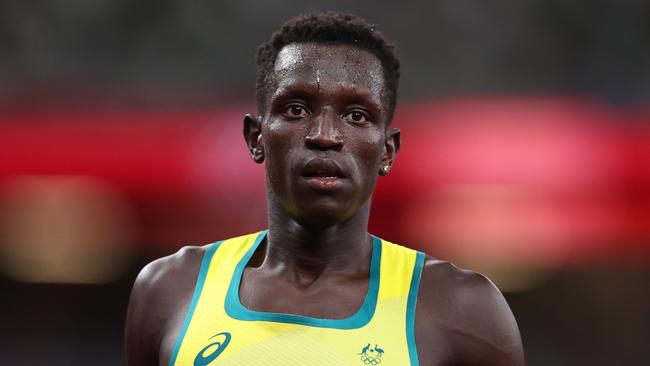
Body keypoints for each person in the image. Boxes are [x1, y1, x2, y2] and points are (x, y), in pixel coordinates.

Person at [125, 12, 525, 366]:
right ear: (256, 137)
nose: (324, 135)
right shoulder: (170, 290)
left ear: (387, 150)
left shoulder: (461, 309)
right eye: (297, 109)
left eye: (356, 115)